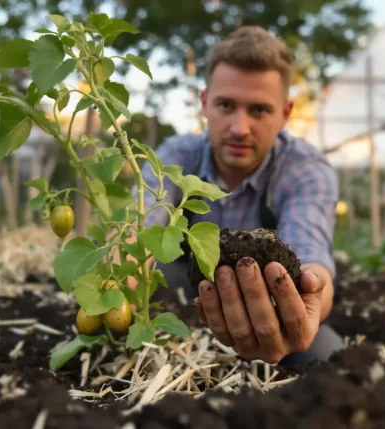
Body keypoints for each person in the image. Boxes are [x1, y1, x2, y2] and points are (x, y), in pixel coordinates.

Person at [134, 25, 344, 367]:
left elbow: (311, 255)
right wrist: (118, 277)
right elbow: (140, 225)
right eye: (226, 105)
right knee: (154, 278)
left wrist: (309, 297)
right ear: (204, 103)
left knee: (324, 356)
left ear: (285, 114)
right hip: (187, 303)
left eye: (259, 110)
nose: (239, 128)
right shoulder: (177, 157)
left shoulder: (304, 169)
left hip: (272, 308)